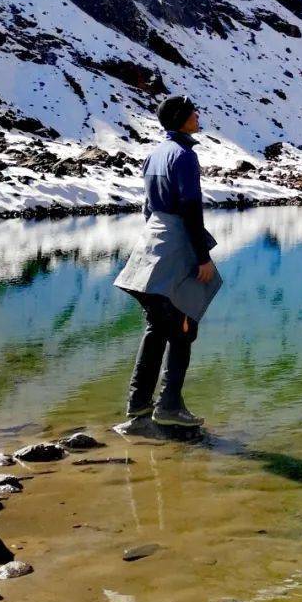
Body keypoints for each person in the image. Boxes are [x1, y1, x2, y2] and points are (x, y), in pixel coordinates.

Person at [114, 95, 222, 428]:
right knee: (184, 326)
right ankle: (169, 406)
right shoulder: (185, 156)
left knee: (156, 327)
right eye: (193, 112)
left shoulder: (155, 155)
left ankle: (138, 404)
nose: (198, 114)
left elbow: (148, 209)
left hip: (150, 247)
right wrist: (202, 258)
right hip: (176, 248)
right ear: (181, 118)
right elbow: (191, 208)